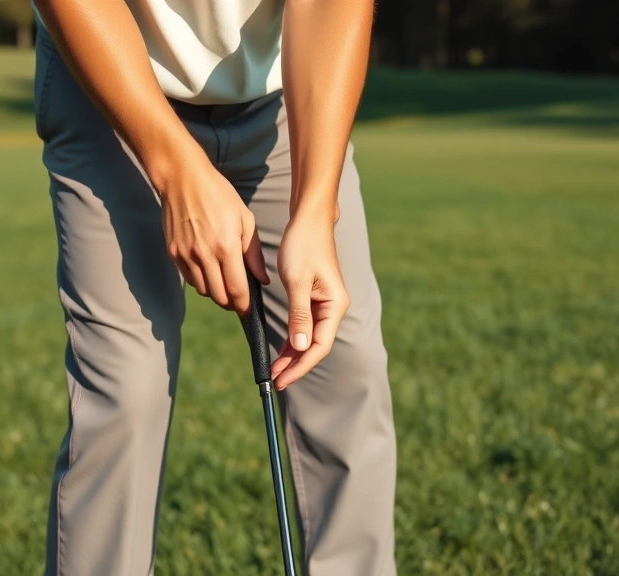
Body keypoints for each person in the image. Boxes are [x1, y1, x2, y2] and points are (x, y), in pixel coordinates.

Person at [31, 1, 396, 574]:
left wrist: (315, 206)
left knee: (341, 362)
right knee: (128, 389)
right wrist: (176, 169)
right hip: (109, 82)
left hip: (282, 97)